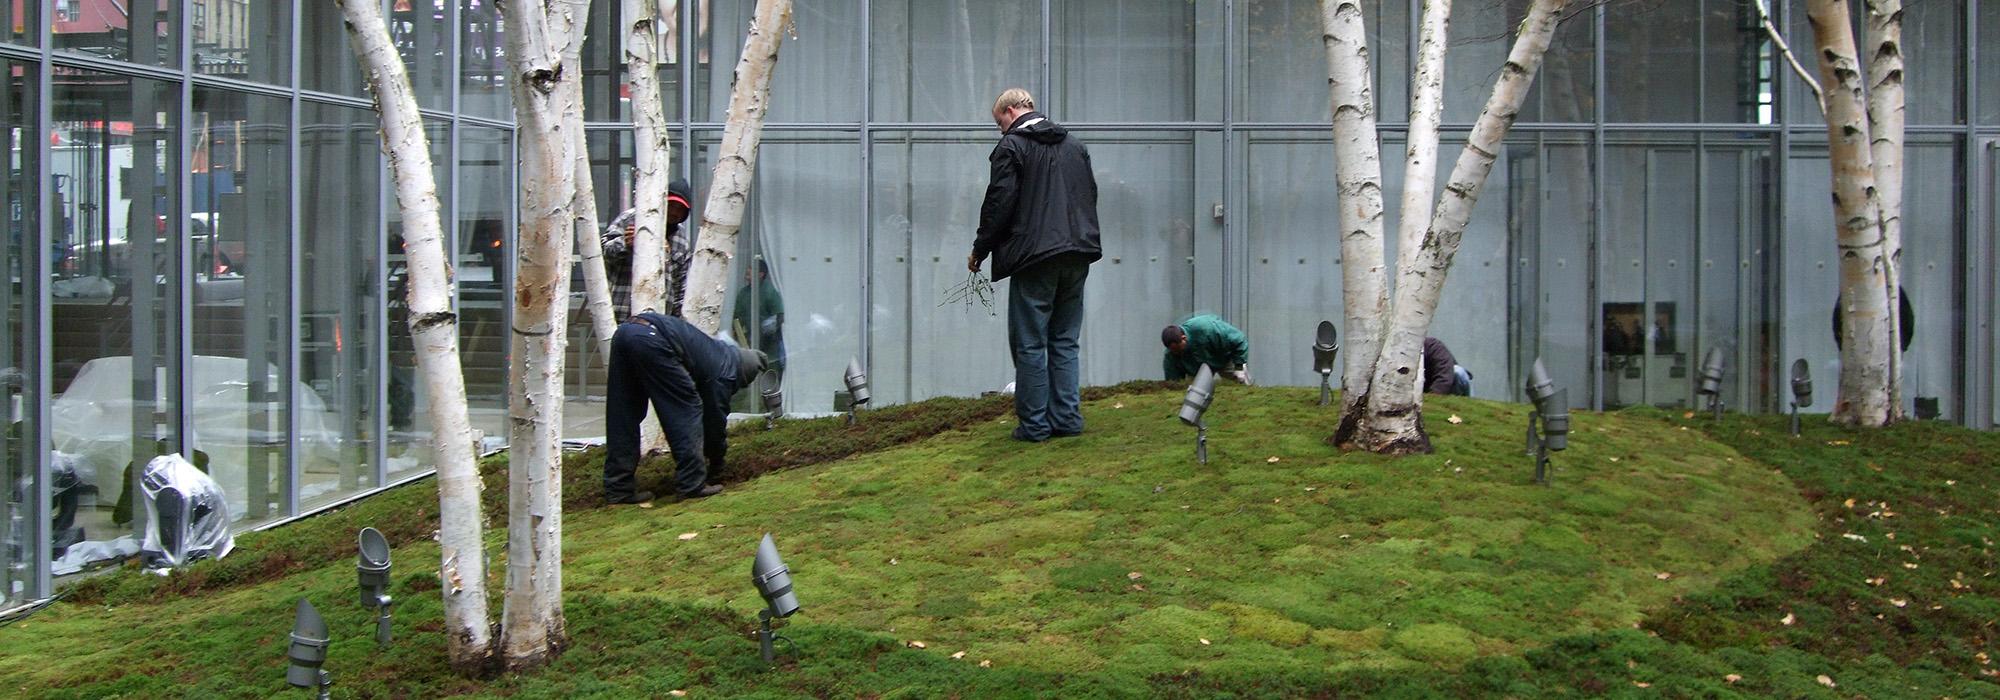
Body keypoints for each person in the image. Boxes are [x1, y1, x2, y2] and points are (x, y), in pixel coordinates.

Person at [968, 88, 1102, 443]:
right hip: (1077, 253)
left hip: (1035, 257)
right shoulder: (1075, 146)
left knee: (1029, 343)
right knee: (1065, 340)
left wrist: (980, 250)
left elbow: (999, 205)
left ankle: (1035, 425)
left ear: (1011, 111)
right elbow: (1090, 195)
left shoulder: (1011, 147)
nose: (1000, 131)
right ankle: (1068, 419)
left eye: (1000, 123)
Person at [603, 310, 769, 504]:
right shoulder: (726, 371)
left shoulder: (717, 352)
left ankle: (618, 488)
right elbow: (713, 422)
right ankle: (691, 484)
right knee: (687, 408)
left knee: (624, 412)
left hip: (625, 332)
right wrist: (717, 463)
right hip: (652, 339)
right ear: (742, 374)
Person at [602, 178, 695, 316]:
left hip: (658, 321)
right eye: (672, 205)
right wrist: (625, 244)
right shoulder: (630, 219)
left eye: (680, 209)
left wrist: (677, 322)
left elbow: (681, 285)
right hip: (620, 313)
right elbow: (602, 253)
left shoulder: (681, 240)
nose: (674, 212)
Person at [731, 258, 786, 374]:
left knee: (770, 377)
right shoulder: (743, 293)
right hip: (749, 344)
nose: (748, 270)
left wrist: (766, 329)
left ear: (761, 274)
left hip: (770, 347)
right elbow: (736, 319)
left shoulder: (769, 291)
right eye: (749, 268)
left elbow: (779, 316)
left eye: (751, 269)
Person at [1162, 314, 1251, 384]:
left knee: (1241, 383)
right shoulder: (1170, 355)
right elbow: (1174, 383)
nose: (1176, 352)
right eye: (1172, 350)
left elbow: (1239, 340)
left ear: (1184, 338)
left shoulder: (1207, 329)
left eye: (1178, 349)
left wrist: (1239, 367)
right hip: (1197, 371)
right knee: (1193, 394)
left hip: (1224, 358)